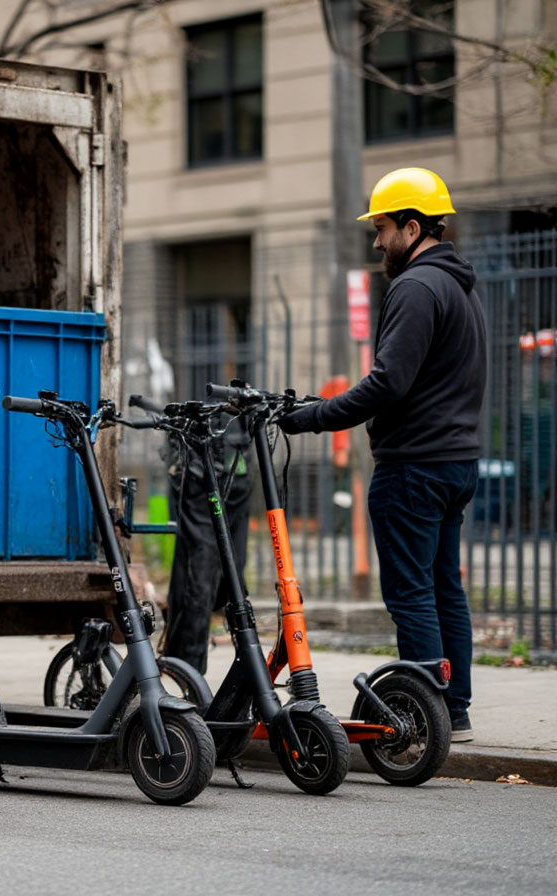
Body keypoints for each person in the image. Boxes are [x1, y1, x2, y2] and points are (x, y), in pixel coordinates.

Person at [279, 167, 487, 742]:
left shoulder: (416, 288)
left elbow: (387, 383)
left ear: (413, 227)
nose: (377, 242)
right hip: (456, 462)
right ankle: (455, 711)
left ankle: (423, 718)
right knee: (445, 586)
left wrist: (309, 417)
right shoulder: (462, 287)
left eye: (383, 228)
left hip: (414, 465)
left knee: (412, 593)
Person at [163, 413, 253, 675]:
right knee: (226, 570)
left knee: (200, 570)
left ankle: (186, 666)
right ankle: (189, 665)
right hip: (236, 464)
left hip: (210, 468)